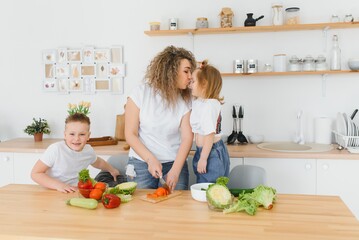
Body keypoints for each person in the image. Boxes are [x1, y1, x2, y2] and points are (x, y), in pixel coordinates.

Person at [125, 45, 197, 191]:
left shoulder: (186, 100)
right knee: (143, 211)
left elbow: (187, 138)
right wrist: (150, 160)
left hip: (174, 163)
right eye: (186, 71)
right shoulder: (140, 93)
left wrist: (176, 171)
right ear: (170, 71)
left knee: (175, 210)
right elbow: (130, 134)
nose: (190, 76)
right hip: (141, 163)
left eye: (191, 71)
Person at [31, 113, 120, 193]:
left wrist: (112, 170)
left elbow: (99, 162)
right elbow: (36, 174)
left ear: (88, 136)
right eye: (72, 134)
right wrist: (59, 186)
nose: (76, 138)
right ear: (65, 134)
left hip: (75, 191)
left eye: (82, 134)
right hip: (53, 191)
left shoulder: (88, 151)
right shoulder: (56, 149)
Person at [189, 60, 230, 183]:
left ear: (204, 84)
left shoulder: (209, 105)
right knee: (205, 187)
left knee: (209, 189)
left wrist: (203, 158)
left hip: (210, 153)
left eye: (193, 81)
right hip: (206, 151)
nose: (190, 84)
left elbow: (209, 134)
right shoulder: (202, 102)